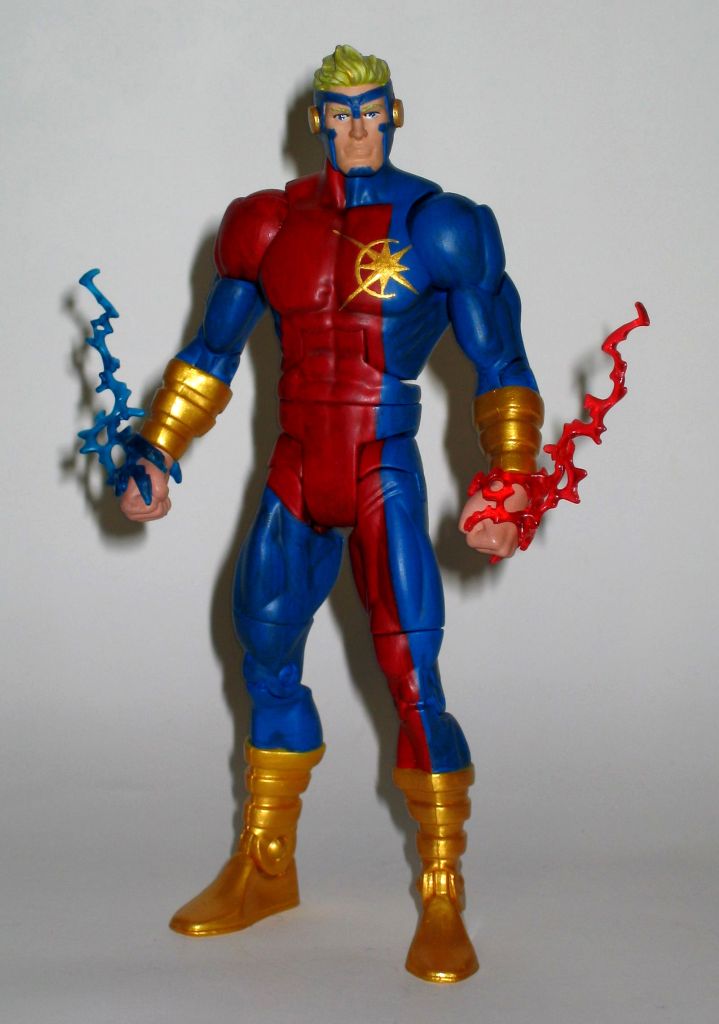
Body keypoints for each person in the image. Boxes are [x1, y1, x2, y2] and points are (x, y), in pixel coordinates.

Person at [120, 44, 543, 984]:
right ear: (316, 119)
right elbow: (211, 353)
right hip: (296, 467)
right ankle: (266, 864)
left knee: (411, 675)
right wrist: (156, 447)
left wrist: (510, 478)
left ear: (396, 114)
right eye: (340, 111)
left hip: (380, 464)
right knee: (264, 655)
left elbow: (501, 361)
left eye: (372, 109)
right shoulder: (266, 223)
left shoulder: (441, 225)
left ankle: (442, 887)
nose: (357, 127)